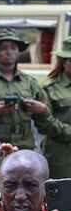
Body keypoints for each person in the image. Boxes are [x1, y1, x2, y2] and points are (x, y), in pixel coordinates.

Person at [41, 43, 71, 177]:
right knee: (62, 194)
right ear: (64, 62)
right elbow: (45, 124)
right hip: (61, 153)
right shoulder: (50, 87)